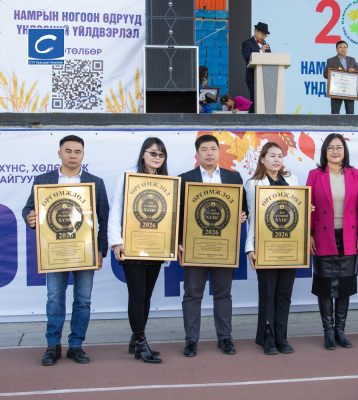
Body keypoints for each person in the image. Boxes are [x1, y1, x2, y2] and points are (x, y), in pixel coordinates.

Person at [22, 135, 109, 366]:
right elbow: (28, 209)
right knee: (54, 299)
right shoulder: (43, 180)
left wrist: (101, 249)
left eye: (77, 151)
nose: (72, 155)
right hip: (55, 250)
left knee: (83, 300)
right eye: (68, 151)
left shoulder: (96, 183)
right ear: (59, 153)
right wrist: (30, 218)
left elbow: (104, 218)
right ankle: (53, 346)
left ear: (83, 154)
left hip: (86, 251)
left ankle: (76, 345)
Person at [179, 134, 247, 358]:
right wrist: (178, 243)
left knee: (223, 295)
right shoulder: (184, 179)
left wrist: (242, 215)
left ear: (219, 152)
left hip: (223, 247)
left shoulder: (233, 177)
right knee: (192, 295)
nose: (209, 153)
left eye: (213, 149)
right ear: (197, 154)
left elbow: (243, 208)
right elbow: (177, 215)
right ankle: (191, 341)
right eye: (204, 149)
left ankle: (225, 338)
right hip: (194, 247)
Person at [107, 137, 169, 364]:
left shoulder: (165, 181)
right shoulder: (128, 176)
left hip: (155, 247)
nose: (157, 157)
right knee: (137, 295)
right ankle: (141, 343)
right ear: (143, 154)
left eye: (161, 154)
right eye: (153, 153)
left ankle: (135, 340)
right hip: (131, 245)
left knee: (147, 296)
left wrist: (170, 243)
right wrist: (116, 242)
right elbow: (116, 210)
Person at [306, 133, 358, 350]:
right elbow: (308, 206)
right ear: (325, 151)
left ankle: (341, 330)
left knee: (345, 285)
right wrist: (308, 234)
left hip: (349, 236)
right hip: (323, 237)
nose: (335, 151)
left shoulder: (355, 174)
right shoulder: (315, 175)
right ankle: (328, 332)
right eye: (331, 147)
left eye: (339, 147)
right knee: (325, 286)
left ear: (344, 151)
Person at [245, 142, 299, 355]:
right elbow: (253, 217)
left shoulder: (293, 180)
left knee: (284, 294)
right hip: (265, 246)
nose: (277, 159)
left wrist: (307, 208)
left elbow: (298, 211)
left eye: (280, 156)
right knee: (267, 294)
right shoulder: (253, 184)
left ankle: (282, 337)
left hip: (289, 245)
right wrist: (250, 248)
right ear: (263, 159)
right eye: (272, 155)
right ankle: (267, 337)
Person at [241, 22, 271, 113]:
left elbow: (270, 59)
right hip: (252, 77)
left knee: (264, 102)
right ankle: (251, 119)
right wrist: (260, 51)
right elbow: (247, 57)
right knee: (255, 100)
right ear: (256, 32)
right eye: (262, 34)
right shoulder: (247, 43)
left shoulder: (266, 45)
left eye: (265, 35)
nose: (263, 37)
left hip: (265, 77)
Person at [324, 41, 358, 114]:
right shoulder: (331, 60)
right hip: (336, 90)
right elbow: (325, 74)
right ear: (337, 49)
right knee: (335, 113)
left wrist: (354, 70)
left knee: (350, 113)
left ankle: (350, 122)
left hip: (349, 91)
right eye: (340, 47)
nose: (343, 49)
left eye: (345, 47)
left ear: (347, 49)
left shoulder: (352, 60)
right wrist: (335, 73)